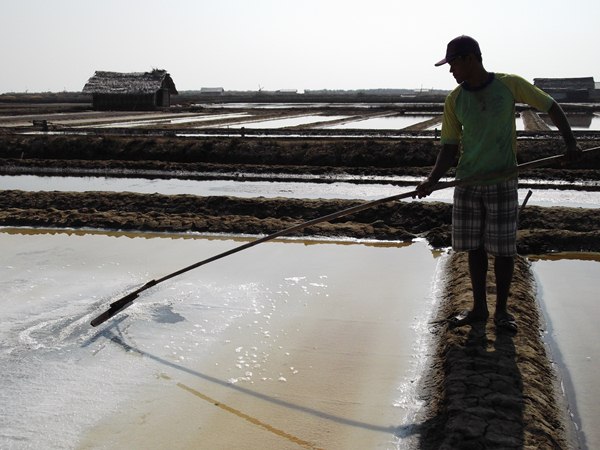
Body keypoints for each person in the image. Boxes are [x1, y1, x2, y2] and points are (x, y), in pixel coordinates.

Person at [416, 35, 581, 332]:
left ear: (470, 58)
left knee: (504, 249)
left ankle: (502, 311)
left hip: (502, 180)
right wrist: (431, 180)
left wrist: (570, 143)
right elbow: (449, 148)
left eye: (453, 63)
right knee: (474, 248)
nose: (450, 70)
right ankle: (479, 308)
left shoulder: (509, 85)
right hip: (468, 182)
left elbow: (551, 106)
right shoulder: (455, 99)